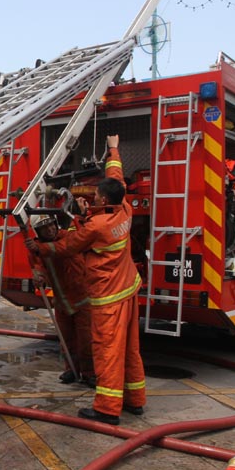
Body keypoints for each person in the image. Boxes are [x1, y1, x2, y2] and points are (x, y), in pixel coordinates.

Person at [26, 135, 146, 425]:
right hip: (129, 290)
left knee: (107, 351)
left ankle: (106, 408)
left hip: (108, 299)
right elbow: (116, 176)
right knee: (130, 349)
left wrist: (40, 248)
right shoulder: (125, 208)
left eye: (96, 197)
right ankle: (135, 401)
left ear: (103, 199)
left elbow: (67, 246)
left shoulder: (96, 226)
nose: (92, 198)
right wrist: (113, 148)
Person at [27, 214, 93, 386]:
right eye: (44, 227)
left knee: (86, 340)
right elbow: (38, 266)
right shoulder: (36, 249)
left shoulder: (67, 237)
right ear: (37, 231)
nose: (50, 229)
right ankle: (71, 369)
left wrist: (39, 248)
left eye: (51, 225)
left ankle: (89, 373)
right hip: (61, 301)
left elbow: (63, 248)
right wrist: (39, 277)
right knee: (66, 339)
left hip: (82, 298)